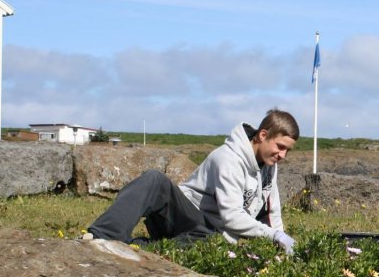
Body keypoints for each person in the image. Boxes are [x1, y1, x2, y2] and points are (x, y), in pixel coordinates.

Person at [85, 109, 299, 254]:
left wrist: (282, 247)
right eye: (280, 147)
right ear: (263, 135)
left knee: (212, 244)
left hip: (209, 235)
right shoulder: (229, 159)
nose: (283, 155)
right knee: (155, 180)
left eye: (287, 150)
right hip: (184, 217)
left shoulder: (269, 167)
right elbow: (232, 217)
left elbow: (271, 213)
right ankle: (101, 237)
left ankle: (138, 249)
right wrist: (274, 236)